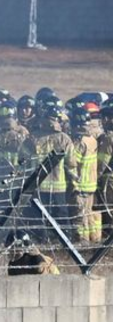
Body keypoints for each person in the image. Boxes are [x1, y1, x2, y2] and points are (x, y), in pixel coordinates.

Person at [69, 100, 102, 245]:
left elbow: (72, 164)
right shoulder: (92, 139)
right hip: (91, 185)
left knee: (79, 217)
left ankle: (81, 243)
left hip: (80, 185)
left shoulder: (79, 142)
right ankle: (95, 240)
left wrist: (72, 185)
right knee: (89, 215)